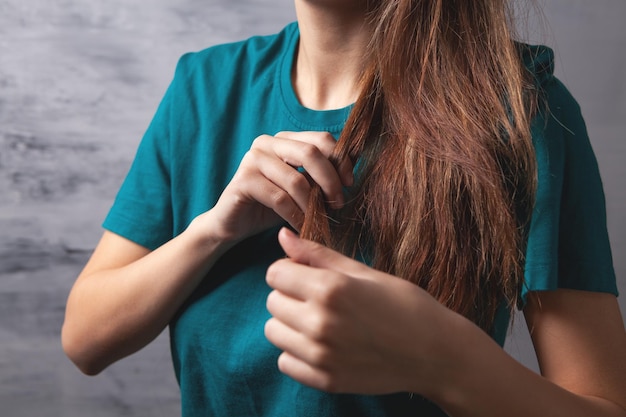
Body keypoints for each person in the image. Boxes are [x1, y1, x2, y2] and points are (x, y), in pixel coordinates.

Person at [62, 0, 626, 416]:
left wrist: (444, 357)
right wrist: (211, 231)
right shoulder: (203, 88)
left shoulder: (523, 112)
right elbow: (86, 339)